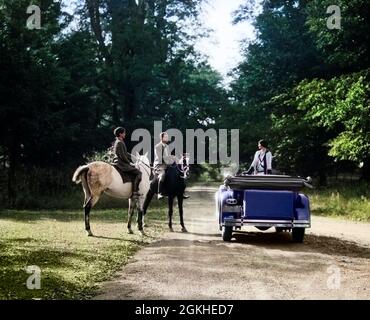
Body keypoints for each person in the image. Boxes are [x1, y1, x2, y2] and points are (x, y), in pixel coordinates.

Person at [112, 127, 142, 197]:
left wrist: (133, 156)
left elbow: (125, 153)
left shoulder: (119, 141)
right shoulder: (119, 142)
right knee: (139, 173)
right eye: (124, 133)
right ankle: (135, 191)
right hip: (121, 163)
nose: (125, 134)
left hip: (119, 161)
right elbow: (122, 156)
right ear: (120, 134)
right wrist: (130, 163)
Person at [154, 132, 176, 199]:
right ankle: (159, 193)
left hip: (167, 164)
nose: (167, 138)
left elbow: (168, 156)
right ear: (161, 138)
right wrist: (170, 157)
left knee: (177, 172)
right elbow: (160, 158)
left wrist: (172, 158)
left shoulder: (167, 146)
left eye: (167, 137)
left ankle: (180, 192)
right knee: (163, 175)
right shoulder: (157, 146)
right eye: (165, 137)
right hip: (159, 165)